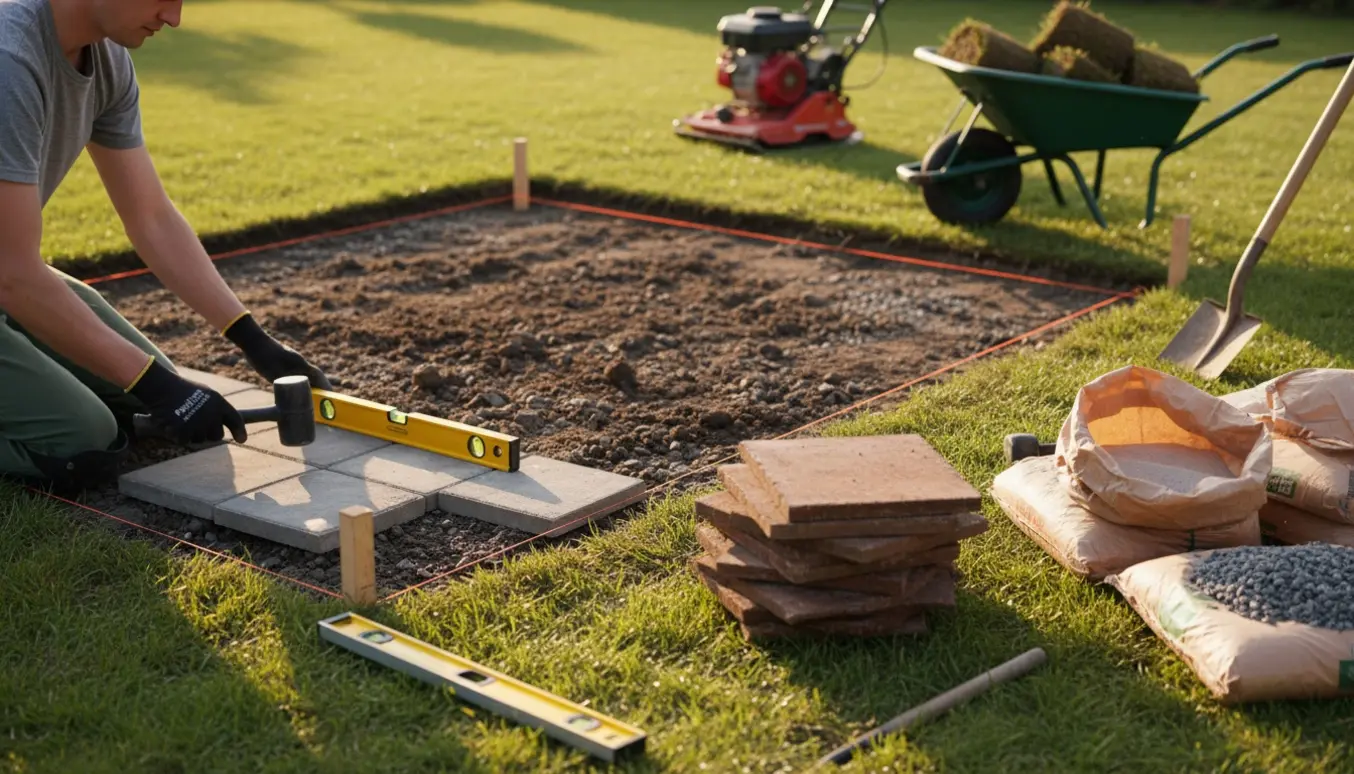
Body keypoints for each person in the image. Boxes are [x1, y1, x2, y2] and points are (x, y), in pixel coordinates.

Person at [0, 0, 331, 491]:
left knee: (139, 394)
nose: (174, 17)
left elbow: (151, 217)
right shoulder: (9, 59)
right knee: (85, 442)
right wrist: (159, 386)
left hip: (9, 278)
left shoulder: (106, 60)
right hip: (10, 275)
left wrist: (251, 338)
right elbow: (13, 272)